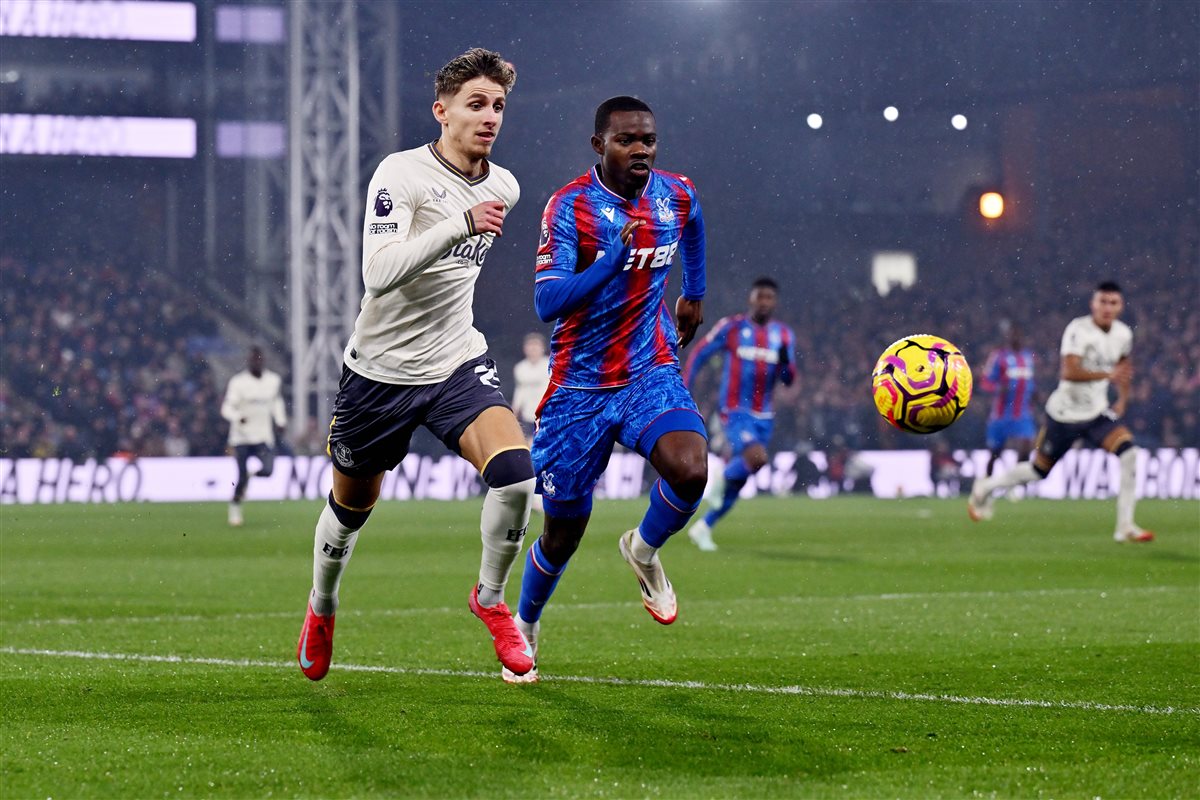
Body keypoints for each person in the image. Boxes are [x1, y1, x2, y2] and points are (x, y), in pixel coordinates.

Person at [296, 48, 537, 682]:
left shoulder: (505, 185)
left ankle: (490, 599)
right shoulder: (400, 174)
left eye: (498, 106)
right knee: (351, 508)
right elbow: (378, 274)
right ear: (441, 111)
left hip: (456, 360)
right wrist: (459, 223)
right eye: (476, 104)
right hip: (380, 373)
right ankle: (322, 605)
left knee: (516, 477)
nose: (490, 117)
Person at [507, 95, 708, 683]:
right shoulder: (570, 207)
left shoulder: (674, 194)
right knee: (563, 533)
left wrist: (693, 292)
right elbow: (547, 302)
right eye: (626, 140)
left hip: (649, 370)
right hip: (579, 388)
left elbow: (695, 223)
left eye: (648, 140)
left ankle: (643, 550)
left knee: (690, 470)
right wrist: (607, 264)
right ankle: (526, 622)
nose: (640, 149)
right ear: (599, 146)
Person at [968, 281, 1154, 542]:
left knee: (1129, 454)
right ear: (1093, 304)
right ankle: (986, 486)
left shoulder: (1123, 334)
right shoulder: (1078, 330)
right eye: (1102, 301)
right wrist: (1107, 374)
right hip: (1064, 416)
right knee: (1038, 471)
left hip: (1096, 414)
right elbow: (1069, 371)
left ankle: (1125, 525)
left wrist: (1122, 400)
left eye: (1113, 303)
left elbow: (1123, 368)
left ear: (1120, 307)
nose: (1107, 308)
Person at [681, 277, 796, 551]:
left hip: (764, 415)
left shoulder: (783, 335)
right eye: (760, 296)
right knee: (757, 458)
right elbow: (699, 354)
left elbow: (788, 379)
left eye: (769, 297)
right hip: (734, 411)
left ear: (775, 302)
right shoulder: (732, 327)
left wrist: (784, 363)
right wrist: (683, 387)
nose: (764, 302)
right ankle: (719, 479)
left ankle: (704, 526)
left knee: (741, 478)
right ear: (750, 299)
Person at [220, 346, 286, 526]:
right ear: (248, 361)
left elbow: (276, 403)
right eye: (253, 359)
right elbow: (226, 408)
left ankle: (252, 476)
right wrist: (237, 417)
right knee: (240, 476)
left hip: (263, 436)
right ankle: (235, 508)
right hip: (241, 437)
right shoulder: (238, 382)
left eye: (259, 359)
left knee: (268, 470)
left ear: (263, 360)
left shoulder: (273, 380)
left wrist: (280, 420)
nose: (256, 362)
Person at [979, 325, 1037, 477]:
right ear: (1008, 338)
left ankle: (1017, 483)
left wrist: (1035, 394)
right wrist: (998, 388)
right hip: (1001, 414)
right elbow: (985, 382)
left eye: (1019, 335)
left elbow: (1030, 381)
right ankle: (986, 483)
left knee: (1026, 446)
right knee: (995, 454)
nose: (1016, 339)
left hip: (1023, 414)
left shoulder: (1028, 357)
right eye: (1013, 335)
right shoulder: (999, 357)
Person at [512, 332, 550, 512]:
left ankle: (545, 494)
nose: (533, 350)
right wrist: (513, 413)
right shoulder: (520, 368)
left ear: (542, 348)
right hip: (529, 418)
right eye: (530, 346)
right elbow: (520, 392)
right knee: (531, 455)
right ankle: (536, 496)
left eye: (536, 346)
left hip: (546, 416)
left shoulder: (549, 365)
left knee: (545, 455)